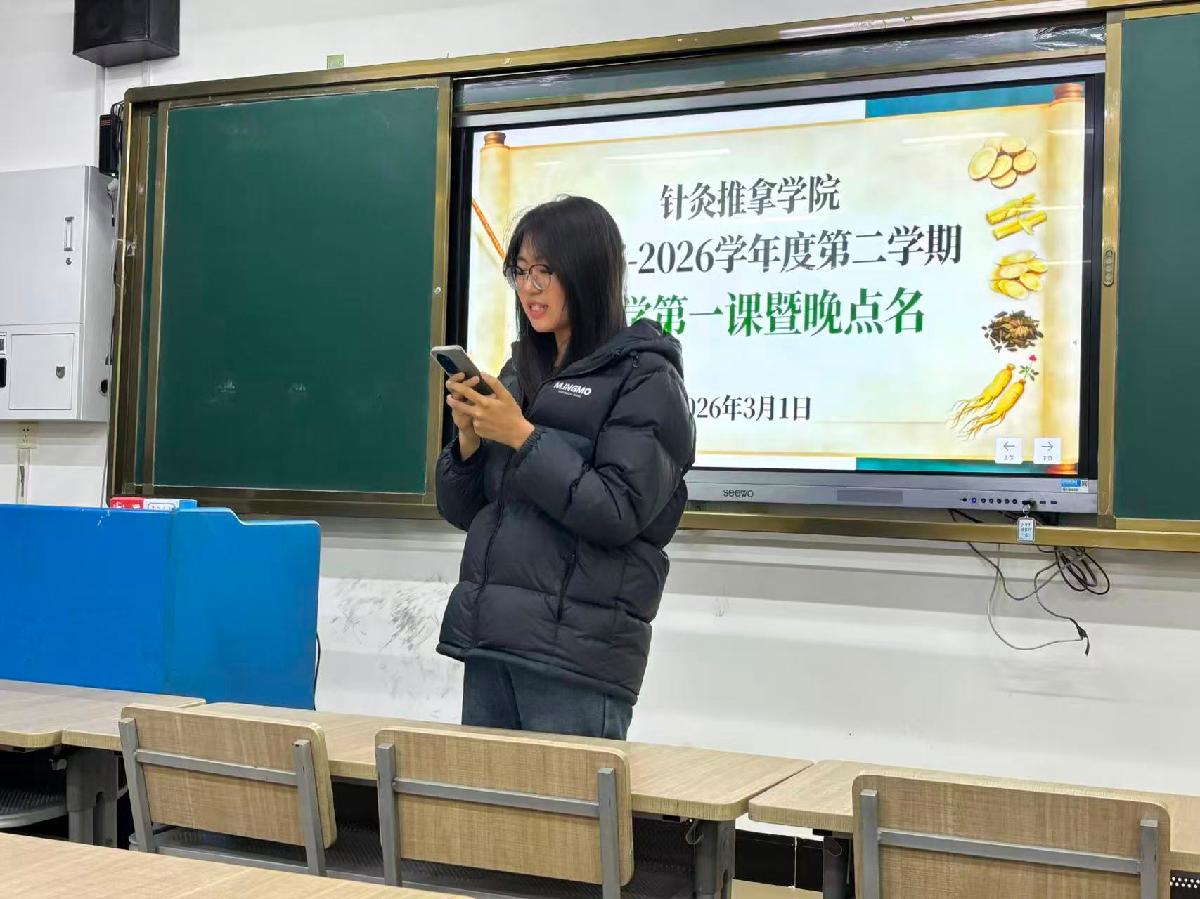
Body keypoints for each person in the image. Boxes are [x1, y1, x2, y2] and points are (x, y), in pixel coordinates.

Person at [434, 195, 694, 740]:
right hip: (492, 642)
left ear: (589, 272)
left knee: (568, 800)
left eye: (545, 272)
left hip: (576, 660)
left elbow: (617, 511)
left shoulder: (647, 379)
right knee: (480, 797)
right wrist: (469, 439)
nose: (529, 288)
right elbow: (465, 511)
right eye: (520, 271)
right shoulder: (521, 370)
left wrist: (522, 437)